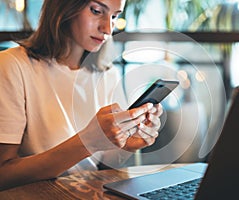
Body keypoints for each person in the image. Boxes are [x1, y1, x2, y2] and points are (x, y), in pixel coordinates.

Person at [0, 0, 163, 191]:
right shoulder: (12, 66)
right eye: (96, 11)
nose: (108, 29)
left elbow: (105, 165)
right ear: (64, 7)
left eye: (114, 16)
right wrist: (87, 142)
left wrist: (128, 145)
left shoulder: (107, 74)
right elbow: (4, 175)